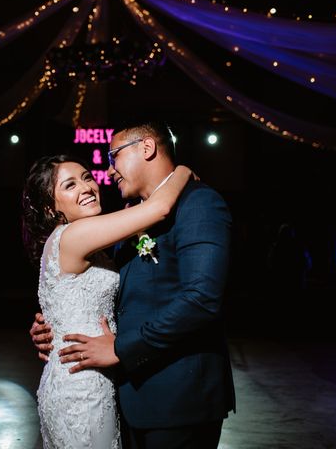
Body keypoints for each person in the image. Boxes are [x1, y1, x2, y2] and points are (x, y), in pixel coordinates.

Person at [30, 121, 236, 448]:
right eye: (70, 184)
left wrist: (118, 347)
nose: (106, 174)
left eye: (113, 158)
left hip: (177, 398)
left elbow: (201, 300)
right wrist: (53, 323)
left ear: (147, 148)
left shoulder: (198, 203)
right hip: (111, 391)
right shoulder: (120, 221)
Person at [21, 153, 194, 448]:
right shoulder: (76, 234)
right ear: (52, 208)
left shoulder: (81, 239)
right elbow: (161, 207)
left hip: (77, 376)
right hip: (82, 385)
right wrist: (183, 170)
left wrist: (47, 325)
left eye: (87, 177)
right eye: (70, 185)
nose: (86, 187)